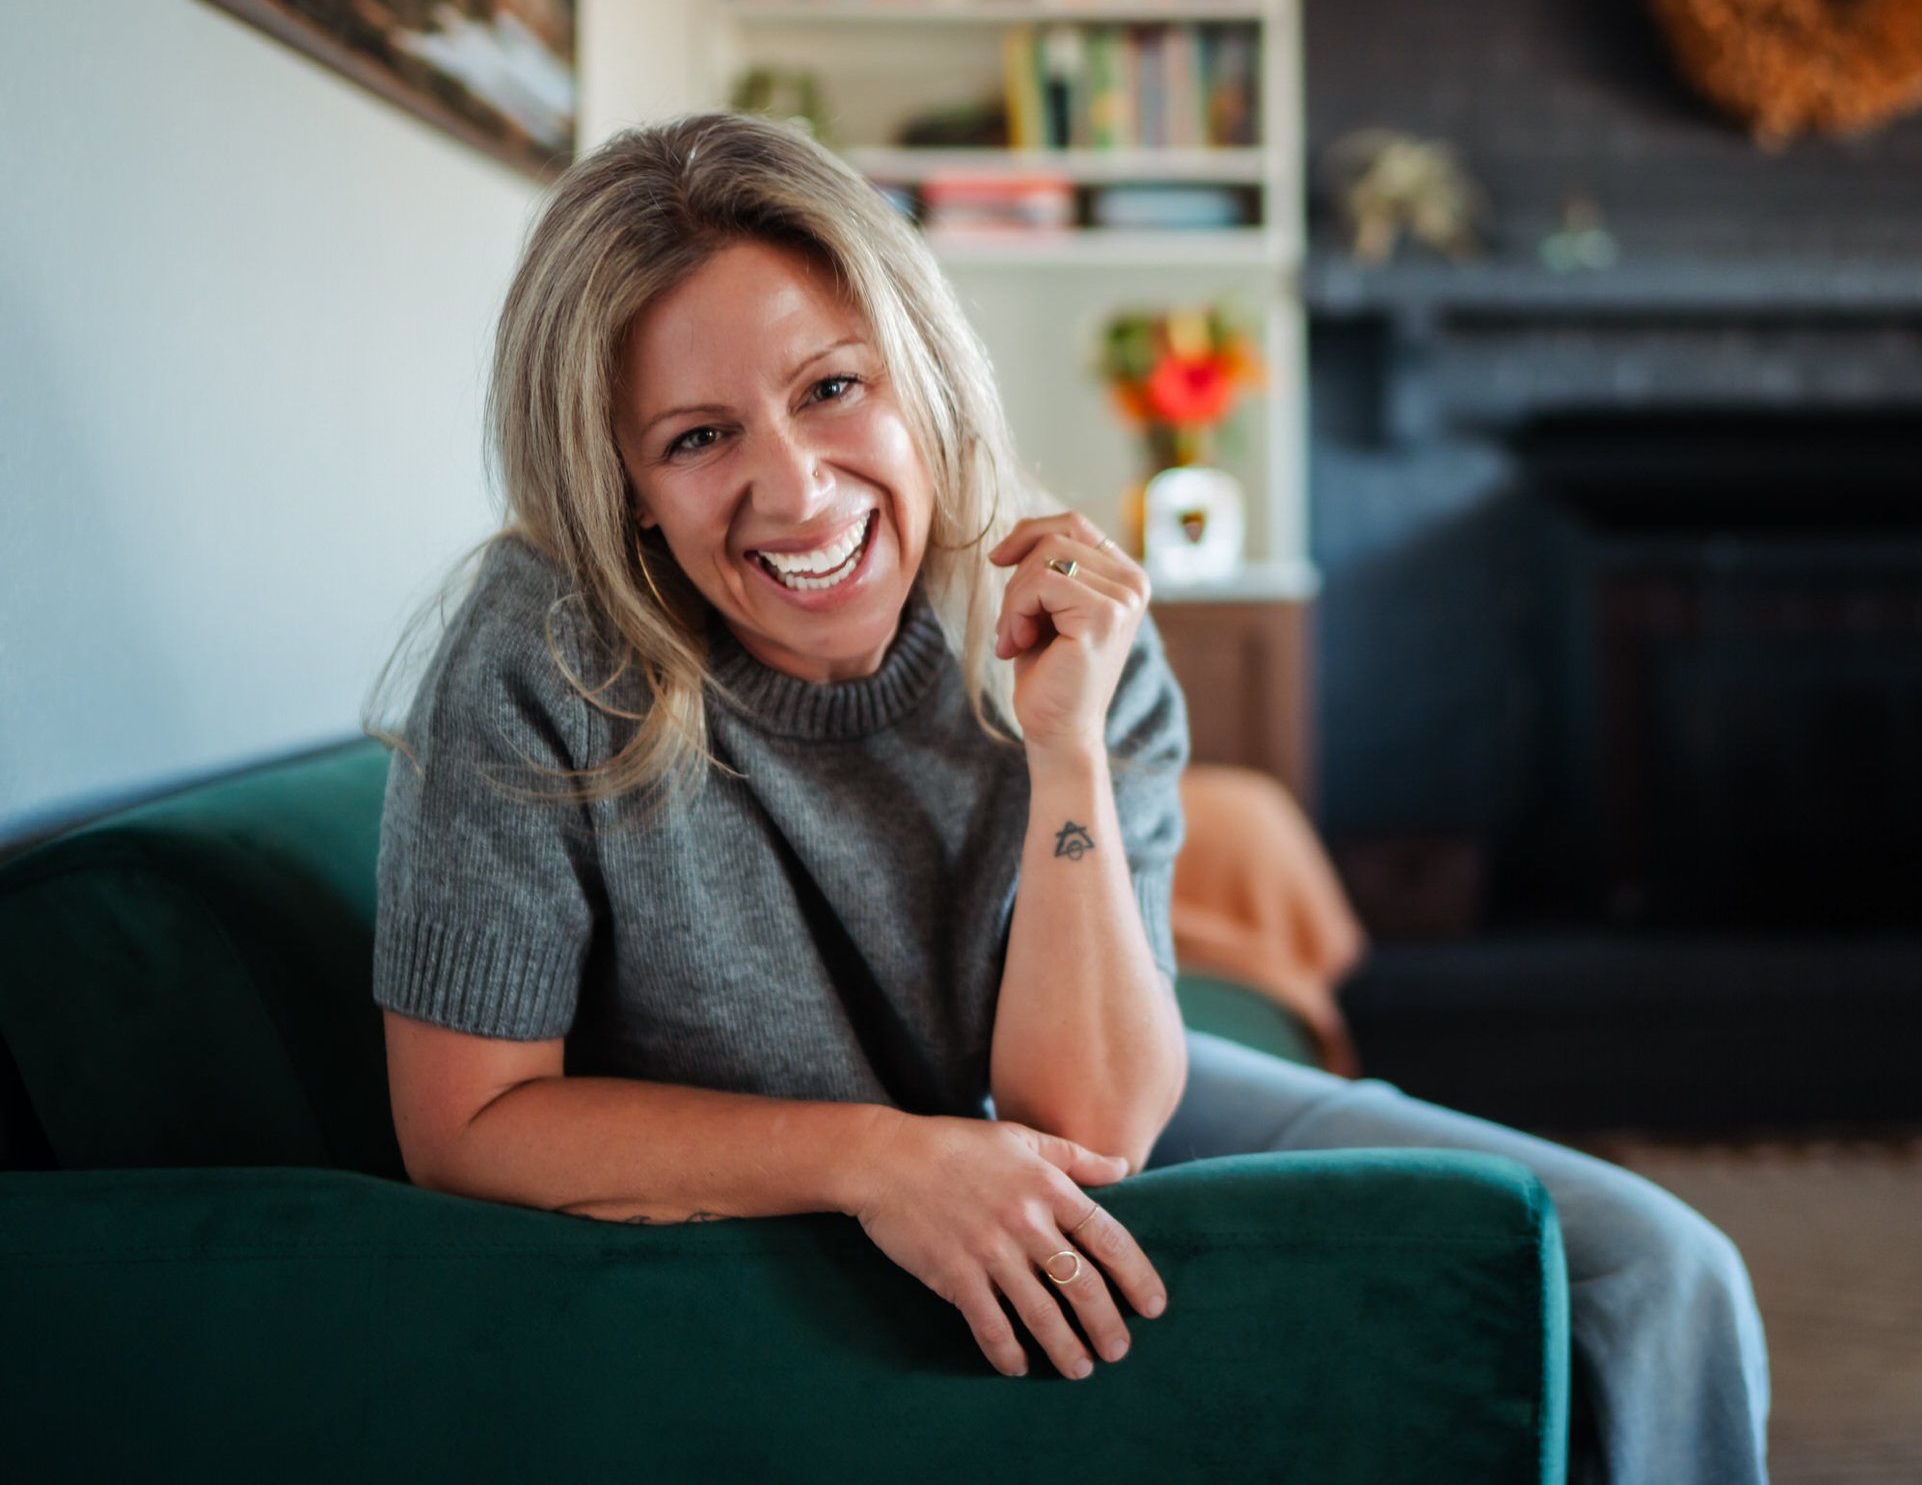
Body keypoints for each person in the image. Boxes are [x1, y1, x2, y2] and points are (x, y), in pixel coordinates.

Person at [369, 110, 1770, 1484]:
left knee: (1655, 1272)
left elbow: (1093, 1123)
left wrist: (1068, 749)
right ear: (622, 486)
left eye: (831, 388)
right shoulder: (542, 652)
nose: (794, 492)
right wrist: (879, 1159)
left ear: (917, 370)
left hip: (1030, 1085)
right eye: (696, 438)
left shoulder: (1061, 605)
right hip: (813, 1151)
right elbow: (468, 1126)